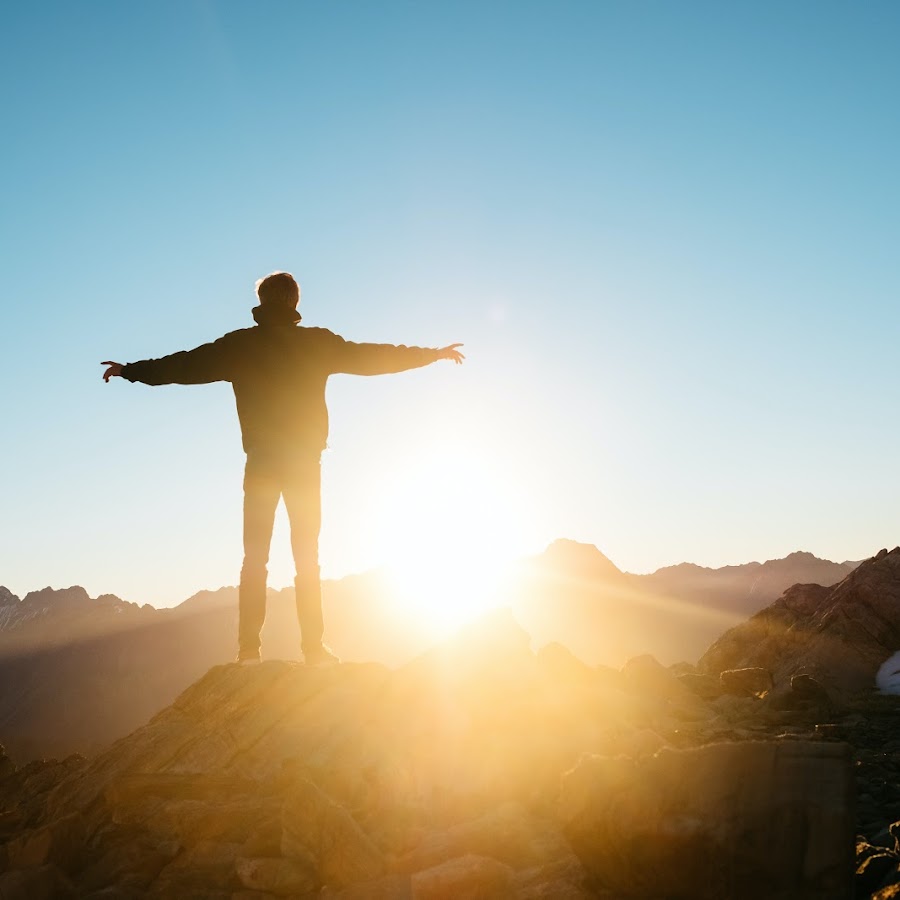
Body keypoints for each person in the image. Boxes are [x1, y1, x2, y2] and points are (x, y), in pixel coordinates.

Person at [103, 271, 464, 666]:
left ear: (261, 300)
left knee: (254, 557)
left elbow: (182, 366)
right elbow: (376, 356)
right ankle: (313, 650)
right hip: (305, 463)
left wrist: (130, 370)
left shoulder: (240, 346)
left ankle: (248, 652)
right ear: (294, 303)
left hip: (261, 463)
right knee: (307, 557)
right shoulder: (316, 344)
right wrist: (432, 353)